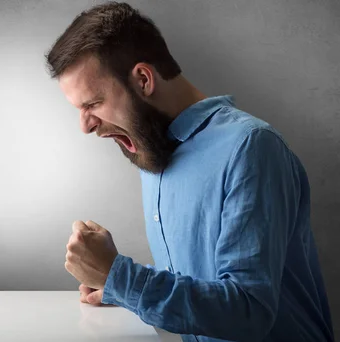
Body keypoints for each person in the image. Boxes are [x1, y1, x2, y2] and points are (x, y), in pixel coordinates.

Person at [46, 2, 334, 341]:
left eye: (92, 104)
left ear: (143, 79)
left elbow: (249, 312)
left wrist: (118, 276)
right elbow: (203, 281)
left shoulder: (251, 147)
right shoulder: (153, 150)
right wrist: (115, 288)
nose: (85, 126)